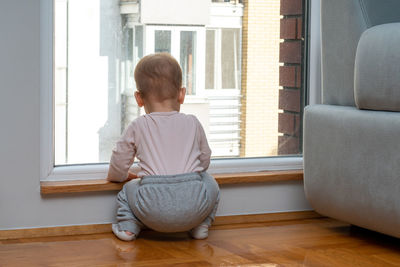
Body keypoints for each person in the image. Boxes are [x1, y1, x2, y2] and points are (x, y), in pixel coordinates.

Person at [107, 53, 220, 241]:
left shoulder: (138, 125)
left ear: (139, 98)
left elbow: (119, 164)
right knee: (212, 183)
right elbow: (204, 160)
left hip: (151, 207)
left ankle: (128, 227)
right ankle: (201, 225)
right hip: (194, 205)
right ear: (182, 94)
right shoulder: (193, 122)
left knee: (127, 191)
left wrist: (119, 176)